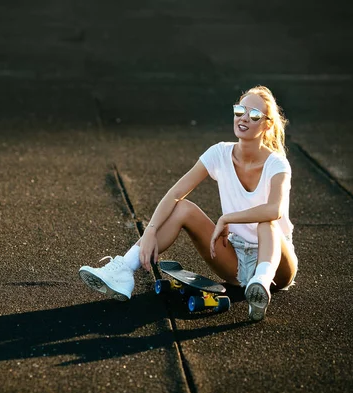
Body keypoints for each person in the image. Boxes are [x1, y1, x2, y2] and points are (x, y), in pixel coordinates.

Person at [79, 86, 298, 322]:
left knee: (267, 223)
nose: (244, 117)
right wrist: (150, 230)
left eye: (254, 114)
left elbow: (274, 210)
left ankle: (260, 285)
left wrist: (227, 218)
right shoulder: (219, 154)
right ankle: (124, 269)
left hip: (277, 262)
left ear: (267, 125)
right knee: (183, 207)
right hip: (235, 257)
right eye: (239, 110)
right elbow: (175, 193)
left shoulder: (277, 165)